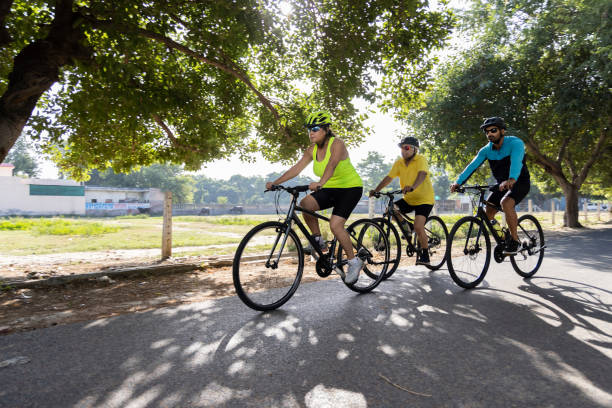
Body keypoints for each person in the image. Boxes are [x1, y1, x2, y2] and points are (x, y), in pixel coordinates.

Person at [265, 110, 364, 284]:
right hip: (330, 188)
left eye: (315, 128)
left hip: (350, 188)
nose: (311, 132)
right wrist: (275, 182)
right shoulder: (312, 150)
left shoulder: (337, 143)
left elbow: (332, 164)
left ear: (326, 129)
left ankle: (354, 261)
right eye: (309, 129)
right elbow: (296, 168)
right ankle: (318, 240)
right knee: (305, 204)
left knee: (335, 225)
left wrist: (321, 182)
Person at [450, 117, 530, 255]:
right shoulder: (486, 150)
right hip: (501, 185)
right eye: (487, 132)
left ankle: (515, 242)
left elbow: (516, 162)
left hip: (519, 181)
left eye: (493, 130)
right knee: (488, 214)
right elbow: (472, 166)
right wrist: (458, 182)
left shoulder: (515, 143)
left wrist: (511, 179)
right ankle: (506, 238)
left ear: (502, 131)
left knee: (506, 203)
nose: (490, 134)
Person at [369, 136, 435, 265]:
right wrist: (376, 190)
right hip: (409, 199)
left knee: (419, 226)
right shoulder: (399, 163)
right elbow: (389, 177)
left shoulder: (420, 159)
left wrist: (413, 187)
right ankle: (408, 228)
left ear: (415, 149)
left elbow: (422, 174)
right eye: (402, 148)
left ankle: (425, 255)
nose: (403, 151)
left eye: (407, 148)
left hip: (424, 199)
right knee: (390, 210)